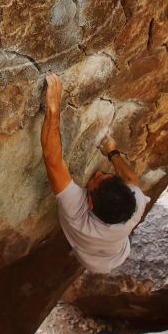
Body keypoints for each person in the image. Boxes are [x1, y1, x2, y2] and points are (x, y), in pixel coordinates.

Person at [40, 72, 150, 273]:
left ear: (89, 202)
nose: (98, 173)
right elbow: (131, 178)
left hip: (92, 262)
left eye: (96, 180)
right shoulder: (134, 207)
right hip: (119, 250)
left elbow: (52, 160)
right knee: (117, 247)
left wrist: (53, 109)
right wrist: (112, 152)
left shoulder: (77, 215)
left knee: (94, 262)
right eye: (106, 175)